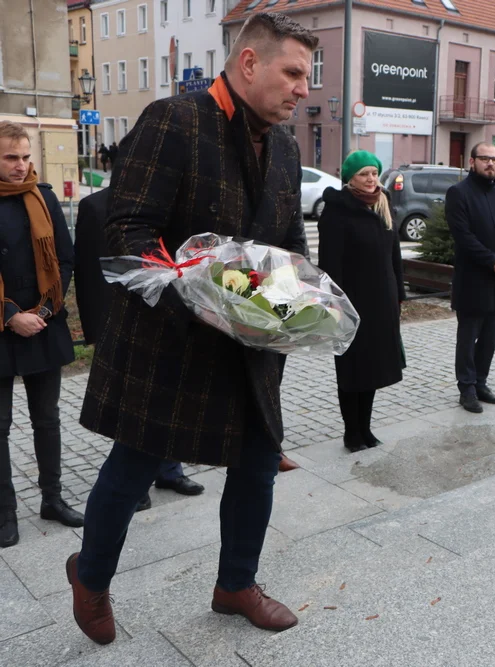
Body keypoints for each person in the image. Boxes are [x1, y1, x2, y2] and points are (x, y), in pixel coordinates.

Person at [65, 13, 315, 645]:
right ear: (250, 63)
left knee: (257, 464)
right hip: (169, 342)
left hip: (249, 347)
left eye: (306, 77)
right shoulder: (173, 121)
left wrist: (298, 301)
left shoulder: (284, 146)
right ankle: (90, 578)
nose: (302, 89)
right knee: (135, 465)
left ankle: (236, 583)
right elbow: (126, 232)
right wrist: (200, 301)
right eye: (292, 73)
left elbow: (288, 242)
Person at [74, 188, 207, 511]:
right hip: (123, 322)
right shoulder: (94, 205)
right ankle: (136, 481)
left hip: (167, 318)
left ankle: (169, 470)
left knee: (170, 396)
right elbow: (88, 271)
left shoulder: (170, 200)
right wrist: (95, 328)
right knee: (132, 402)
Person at [0, 121, 84, 548]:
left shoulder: (44, 197)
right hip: (2, 327)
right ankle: (4, 514)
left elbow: (66, 259)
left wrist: (47, 309)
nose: (21, 166)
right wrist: (10, 314)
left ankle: (52, 498)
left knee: (47, 420)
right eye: (11, 157)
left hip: (43, 323)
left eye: (26, 156)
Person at [317, 151, 404, 452]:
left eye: (374, 173)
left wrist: (399, 295)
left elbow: (394, 254)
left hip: (382, 303)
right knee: (352, 370)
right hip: (351, 304)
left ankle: (366, 429)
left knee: (374, 370)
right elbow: (330, 264)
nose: (370, 179)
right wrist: (336, 305)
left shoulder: (383, 204)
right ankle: (351, 433)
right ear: (350, 178)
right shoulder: (337, 211)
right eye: (364, 174)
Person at [445, 142, 495, 413]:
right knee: (468, 337)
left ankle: (481, 382)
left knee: (490, 336)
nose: (491, 164)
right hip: (473, 279)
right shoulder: (459, 193)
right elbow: (463, 236)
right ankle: (466, 388)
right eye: (485, 159)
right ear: (472, 161)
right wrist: (493, 261)